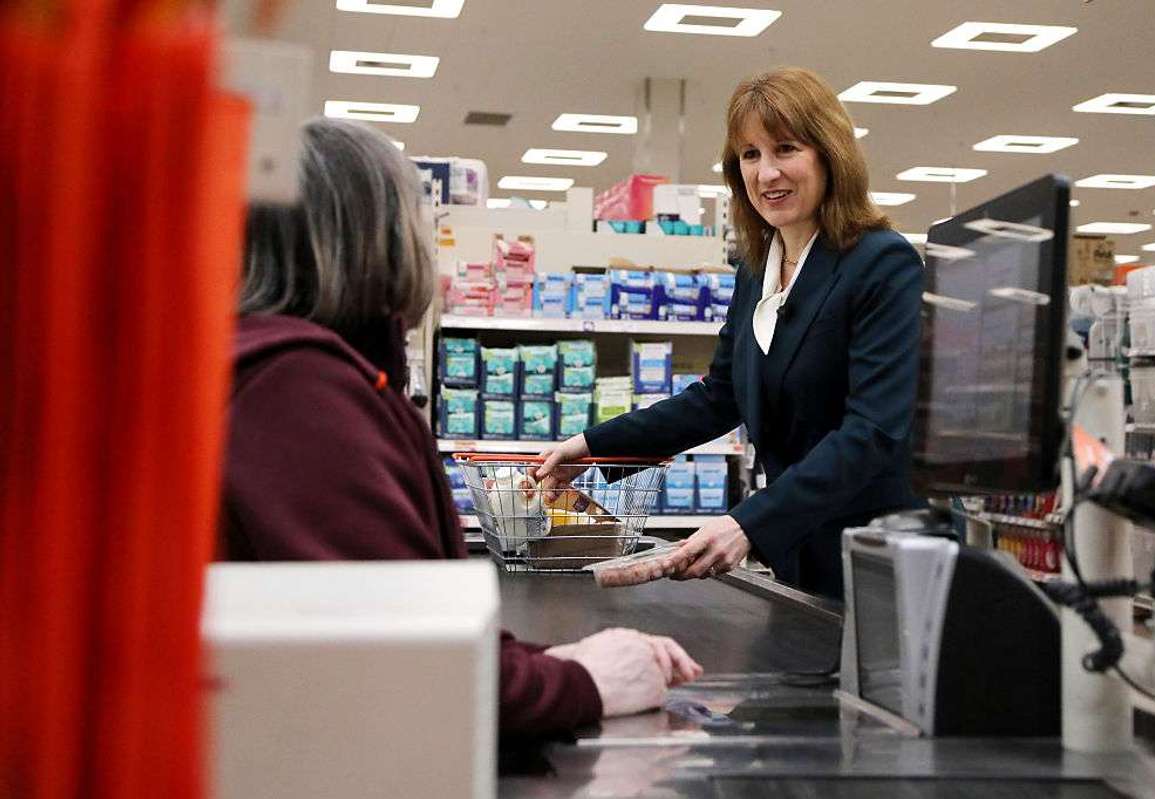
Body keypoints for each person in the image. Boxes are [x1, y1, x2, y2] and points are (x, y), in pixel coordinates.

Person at [220, 117, 701, 739]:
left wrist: (542, 666)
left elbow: (406, 620)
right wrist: (584, 683)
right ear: (377, 238)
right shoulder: (298, 392)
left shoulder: (291, 373)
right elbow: (409, 663)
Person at [537, 67, 925, 599]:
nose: (767, 173)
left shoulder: (882, 263)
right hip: (798, 556)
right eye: (750, 155)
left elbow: (874, 432)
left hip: (868, 556)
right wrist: (592, 446)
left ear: (829, 154)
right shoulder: (756, 267)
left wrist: (750, 522)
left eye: (786, 148)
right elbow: (720, 398)